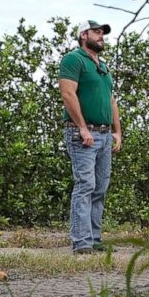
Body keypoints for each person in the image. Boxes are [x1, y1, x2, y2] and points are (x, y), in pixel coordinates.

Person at [57, 19, 123, 253]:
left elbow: (111, 99)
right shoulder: (73, 59)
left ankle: (94, 239)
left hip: (104, 135)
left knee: (100, 188)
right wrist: (83, 128)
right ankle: (81, 242)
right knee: (85, 185)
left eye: (103, 32)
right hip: (83, 134)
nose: (101, 36)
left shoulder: (103, 66)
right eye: (97, 32)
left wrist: (117, 131)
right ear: (83, 34)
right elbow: (67, 93)